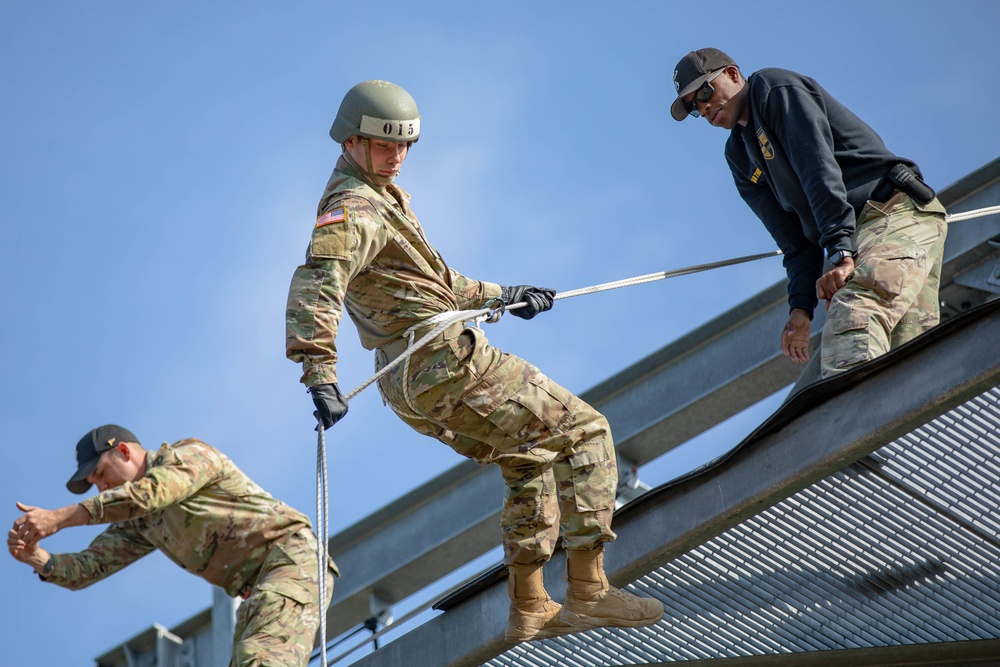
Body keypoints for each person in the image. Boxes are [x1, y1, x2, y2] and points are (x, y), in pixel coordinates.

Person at [285, 80, 663, 642]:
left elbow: (431, 284)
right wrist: (319, 374)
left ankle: (530, 604)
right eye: (384, 145)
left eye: (405, 145)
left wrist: (502, 294)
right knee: (585, 431)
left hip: (409, 380)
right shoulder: (354, 210)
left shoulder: (380, 197)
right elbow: (318, 287)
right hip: (443, 361)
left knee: (529, 456)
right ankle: (589, 592)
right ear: (350, 142)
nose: (397, 156)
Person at [670, 48, 948, 378]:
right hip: (857, 237)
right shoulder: (740, 157)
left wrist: (841, 252)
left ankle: (854, 417)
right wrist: (801, 308)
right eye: (693, 108)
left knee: (854, 318)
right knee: (907, 357)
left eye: (704, 92)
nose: (703, 107)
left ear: (732, 74)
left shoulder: (773, 89)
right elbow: (796, 243)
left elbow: (818, 170)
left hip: (892, 213)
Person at [7, 424, 337, 667]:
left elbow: (150, 495)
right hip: (258, 590)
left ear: (124, 451)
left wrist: (60, 518)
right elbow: (90, 567)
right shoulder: (141, 523)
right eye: (95, 485)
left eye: (102, 474)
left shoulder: (188, 456)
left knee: (260, 660)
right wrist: (36, 557)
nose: (102, 488)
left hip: (290, 562)